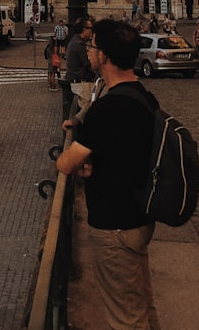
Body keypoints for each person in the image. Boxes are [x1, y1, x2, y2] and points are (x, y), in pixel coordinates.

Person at [56, 19, 160, 329]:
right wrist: (95, 160)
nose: (88, 51)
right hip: (138, 218)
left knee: (126, 319)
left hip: (115, 226)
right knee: (140, 306)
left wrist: (81, 160)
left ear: (105, 56)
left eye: (92, 46)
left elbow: (65, 164)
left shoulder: (108, 108)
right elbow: (124, 149)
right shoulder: (144, 96)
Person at [61, 18, 95, 125]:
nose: (92, 31)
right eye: (90, 28)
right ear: (84, 29)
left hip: (74, 80)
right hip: (78, 84)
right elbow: (88, 65)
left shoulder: (76, 41)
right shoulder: (78, 44)